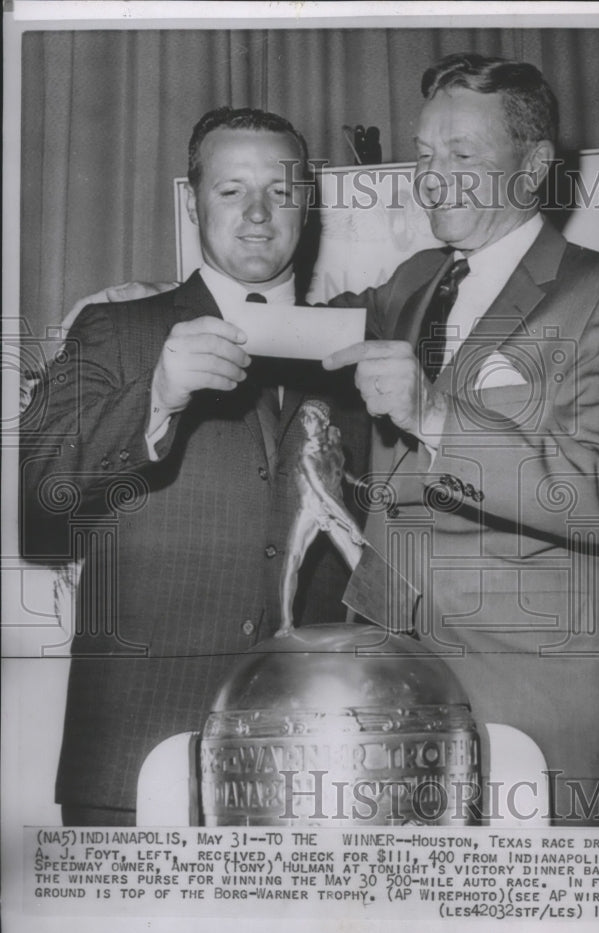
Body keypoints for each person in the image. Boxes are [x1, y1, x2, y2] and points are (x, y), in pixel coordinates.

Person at [322, 54, 599, 822]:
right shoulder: (413, 279)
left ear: (535, 165)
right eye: (425, 153)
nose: (432, 176)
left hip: (536, 691)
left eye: (462, 155)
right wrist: (179, 306)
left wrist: (435, 417)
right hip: (395, 673)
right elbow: (318, 331)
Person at [19, 107, 366, 825]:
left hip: (309, 759)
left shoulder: (356, 348)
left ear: (308, 202)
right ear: (191, 202)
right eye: (231, 190)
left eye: (280, 190)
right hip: (137, 755)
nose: (259, 215)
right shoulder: (117, 328)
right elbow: (36, 498)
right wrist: (156, 395)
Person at [276, 399, 365, 637]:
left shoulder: (333, 444)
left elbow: (338, 470)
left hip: (332, 507)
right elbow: (323, 494)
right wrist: (352, 524)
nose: (305, 422)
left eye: (311, 417)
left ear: (325, 421)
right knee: (293, 560)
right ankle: (286, 622)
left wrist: (357, 482)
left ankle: (362, 619)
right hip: (311, 508)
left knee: (359, 562)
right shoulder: (305, 454)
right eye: (302, 417)